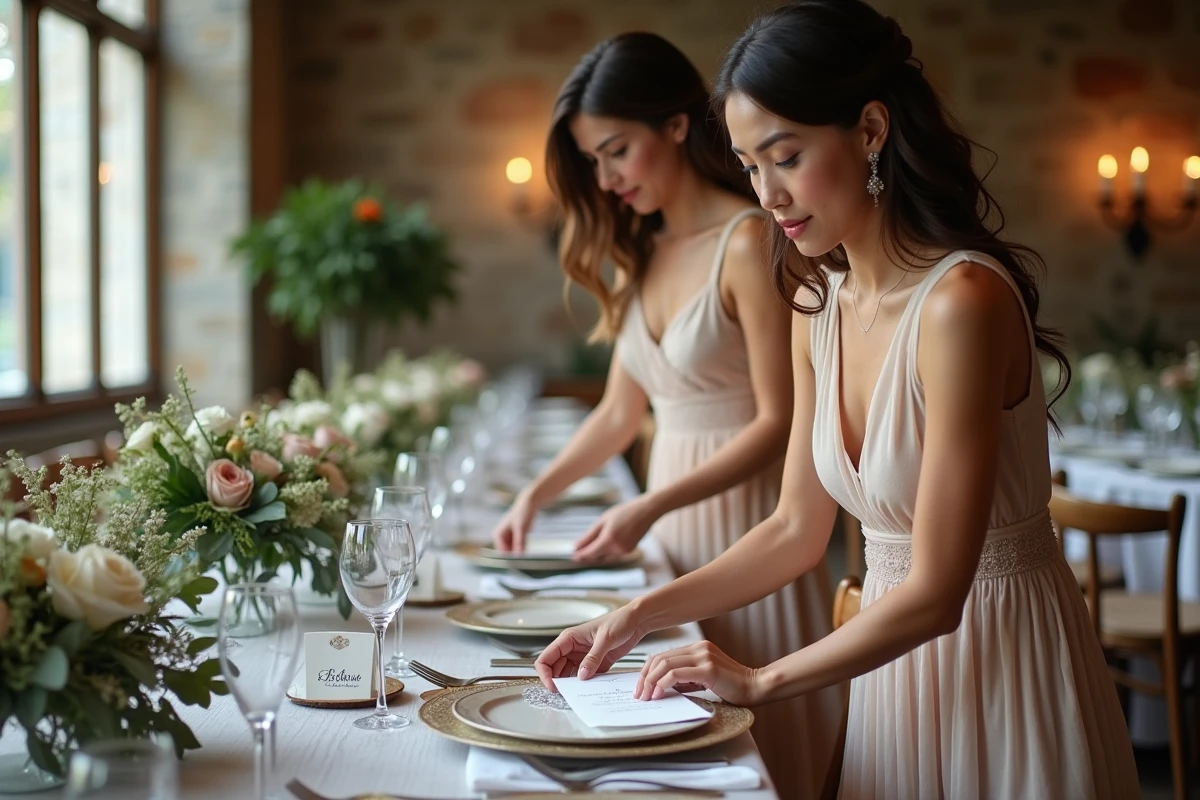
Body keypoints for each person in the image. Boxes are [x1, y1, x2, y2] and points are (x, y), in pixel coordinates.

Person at [533, 4, 1141, 798]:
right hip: (886, 674)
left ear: (871, 130)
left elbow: (940, 593)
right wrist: (635, 616)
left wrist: (758, 680)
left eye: (785, 157)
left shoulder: (962, 302)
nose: (769, 194)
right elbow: (793, 529)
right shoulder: (819, 301)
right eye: (751, 166)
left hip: (1001, 658)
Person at [493, 32, 840, 798]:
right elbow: (621, 411)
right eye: (592, 162)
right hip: (672, 531)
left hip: (750, 524)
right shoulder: (642, 251)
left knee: (760, 752)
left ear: (677, 125)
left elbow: (778, 422)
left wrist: (649, 502)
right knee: (673, 736)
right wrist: (536, 493)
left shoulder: (750, 240)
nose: (606, 177)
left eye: (616, 150)